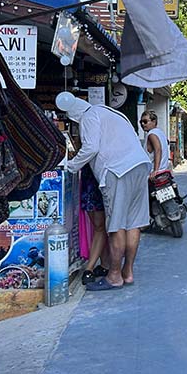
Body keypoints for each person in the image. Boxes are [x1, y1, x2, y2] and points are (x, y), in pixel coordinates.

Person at [58, 92, 151, 290]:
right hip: (141, 165)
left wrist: (71, 165)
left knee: (116, 225)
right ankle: (128, 272)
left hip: (118, 171)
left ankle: (114, 276)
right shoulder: (112, 113)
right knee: (133, 223)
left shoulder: (89, 117)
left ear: (74, 117)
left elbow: (91, 147)